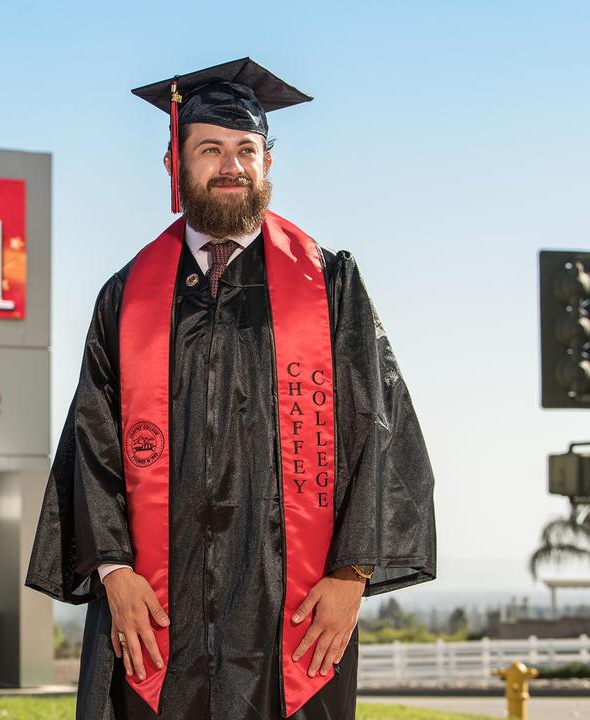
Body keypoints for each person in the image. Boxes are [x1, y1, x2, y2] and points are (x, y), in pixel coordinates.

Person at [24, 58, 437, 720]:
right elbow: (92, 439)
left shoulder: (329, 286)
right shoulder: (127, 296)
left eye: (246, 150)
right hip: (157, 608)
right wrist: (113, 571)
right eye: (210, 148)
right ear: (174, 164)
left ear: (267, 163)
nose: (230, 165)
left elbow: (380, 428)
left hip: (289, 605)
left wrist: (351, 574)